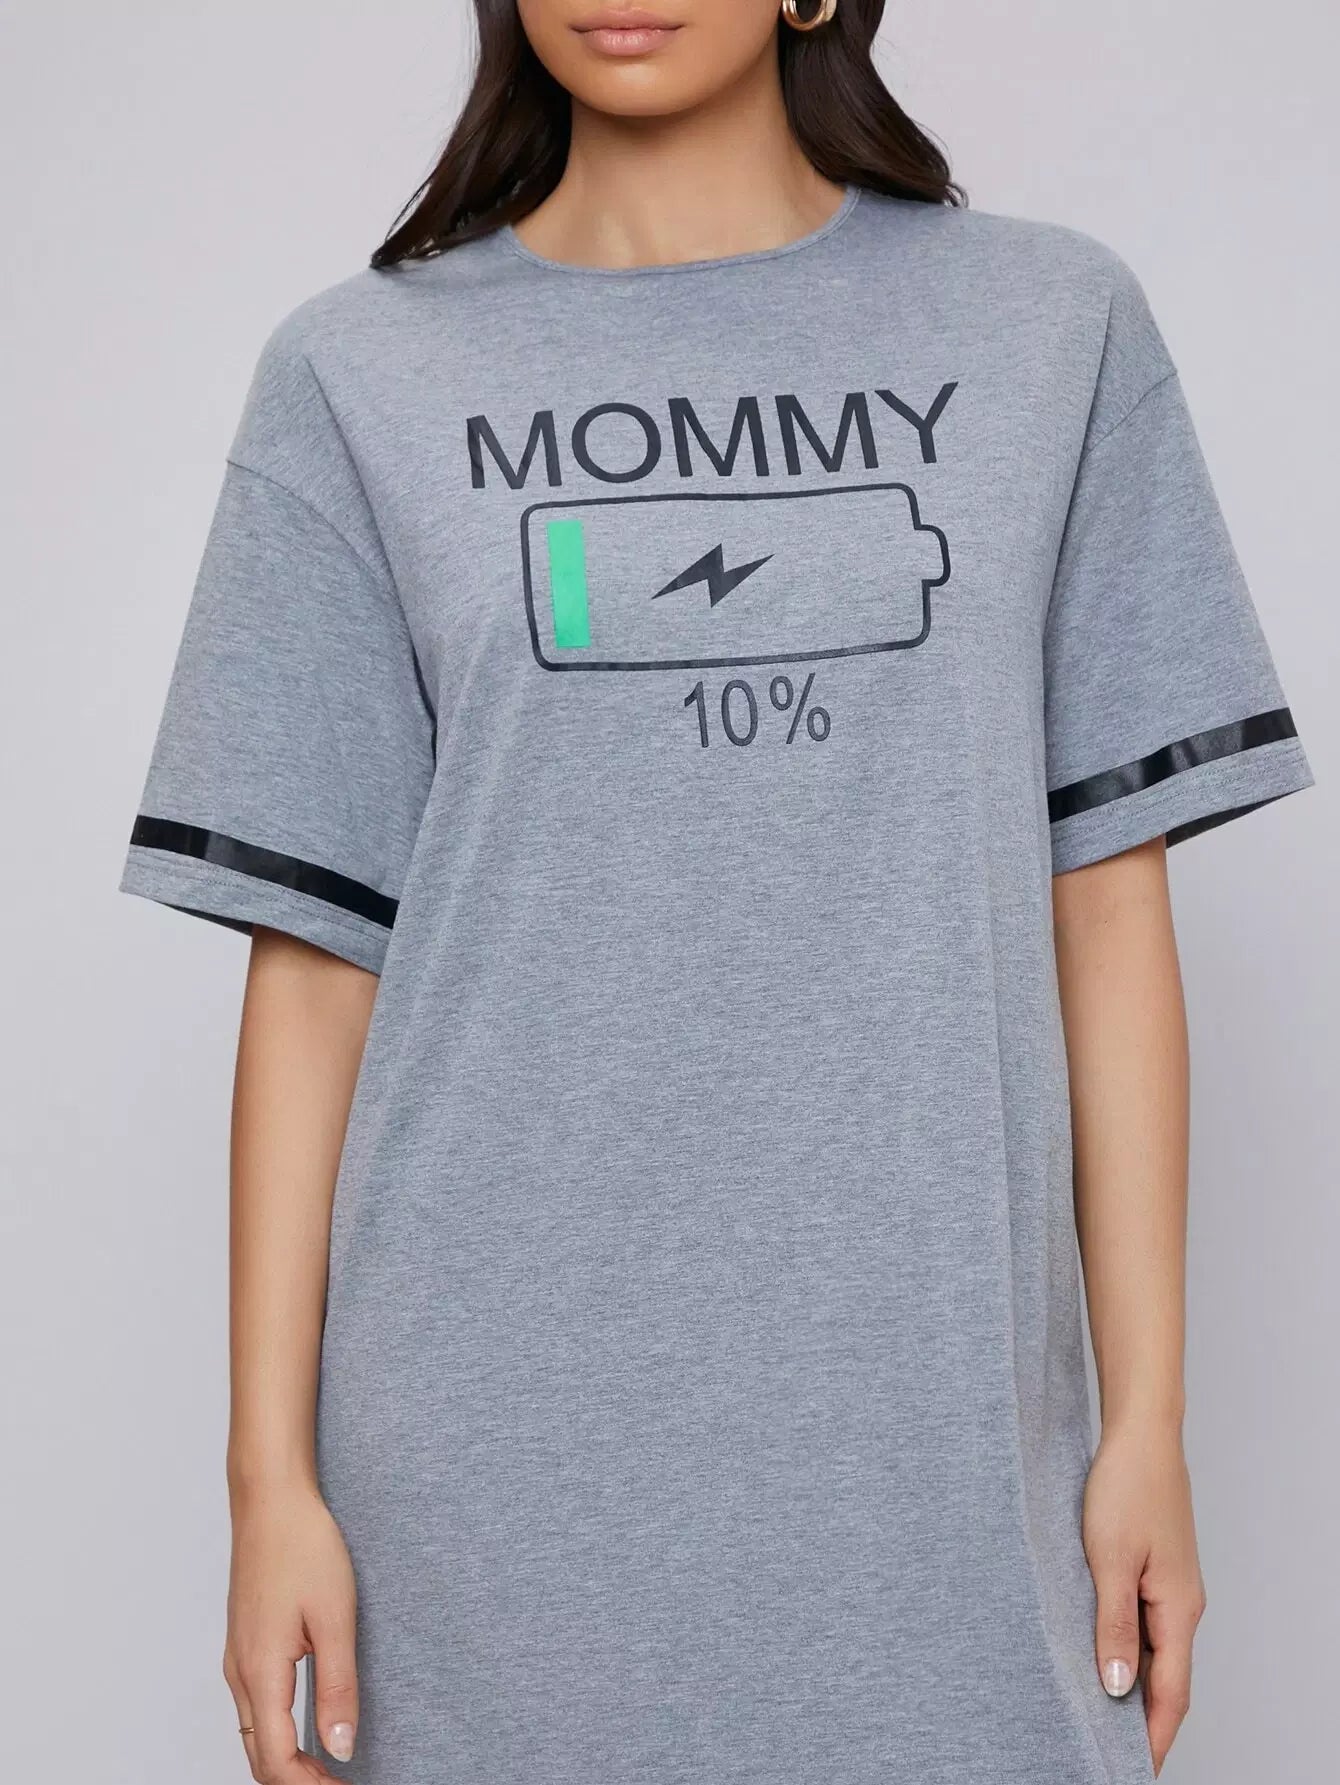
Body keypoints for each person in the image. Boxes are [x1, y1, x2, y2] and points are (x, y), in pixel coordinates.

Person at [120, 3, 1313, 1782]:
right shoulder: (356, 376)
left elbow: (1108, 904)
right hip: (480, 1473)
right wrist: (267, 1480)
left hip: (946, 1441)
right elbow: (314, 970)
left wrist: (1147, 1419)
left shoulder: (1051, 328)